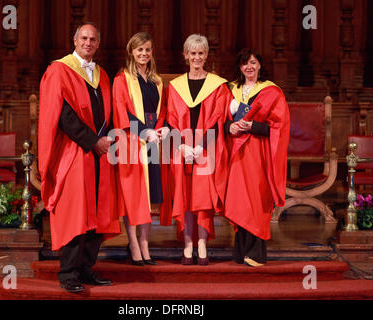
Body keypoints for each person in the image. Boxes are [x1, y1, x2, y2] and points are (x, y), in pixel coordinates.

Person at [38, 22, 121, 293]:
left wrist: (107, 139)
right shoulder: (58, 70)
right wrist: (92, 141)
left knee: (96, 213)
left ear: (98, 43)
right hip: (75, 152)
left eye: (93, 39)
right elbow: (61, 115)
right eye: (83, 38)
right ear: (74, 40)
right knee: (76, 213)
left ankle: (86, 268)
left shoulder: (102, 74)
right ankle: (68, 273)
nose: (88, 43)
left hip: (99, 153)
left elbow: (108, 113)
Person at [167, 34, 232, 265]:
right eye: (192, 53)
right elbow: (170, 120)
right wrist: (183, 145)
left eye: (201, 53)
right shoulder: (175, 86)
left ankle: (202, 243)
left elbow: (218, 120)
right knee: (184, 196)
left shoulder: (218, 86)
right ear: (186, 55)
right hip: (182, 148)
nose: (197, 57)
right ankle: (187, 244)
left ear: (206, 55)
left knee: (202, 198)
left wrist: (199, 146)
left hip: (206, 149)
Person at [224, 48, 290, 267]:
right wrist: (230, 126)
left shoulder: (272, 92)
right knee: (239, 199)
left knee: (255, 198)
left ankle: (256, 252)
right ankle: (241, 250)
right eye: (245, 63)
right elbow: (219, 119)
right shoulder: (229, 90)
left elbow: (278, 127)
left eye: (253, 63)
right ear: (240, 67)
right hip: (236, 152)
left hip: (258, 151)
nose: (249, 67)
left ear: (260, 65)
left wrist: (253, 126)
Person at [112, 32, 171, 266]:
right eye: (139, 50)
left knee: (149, 195)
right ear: (131, 52)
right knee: (133, 194)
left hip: (153, 139)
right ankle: (133, 243)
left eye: (147, 49)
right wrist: (142, 131)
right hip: (132, 141)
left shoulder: (157, 80)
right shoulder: (122, 79)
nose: (144, 54)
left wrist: (162, 128)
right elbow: (120, 110)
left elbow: (162, 110)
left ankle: (145, 242)